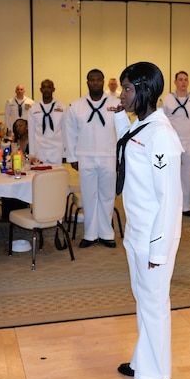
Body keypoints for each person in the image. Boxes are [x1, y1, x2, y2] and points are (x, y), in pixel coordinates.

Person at [113, 61, 183, 379]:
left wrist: (159, 250)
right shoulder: (141, 127)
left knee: (154, 303)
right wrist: (117, 115)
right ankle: (145, 358)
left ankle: (156, 375)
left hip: (154, 237)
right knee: (144, 300)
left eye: (127, 89)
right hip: (136, 231)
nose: (122, 94)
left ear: (144, 90)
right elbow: (126, 148)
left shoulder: (162, 135)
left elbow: (169, 201)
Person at [65, 69, 120, 248]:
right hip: (85, 156)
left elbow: (122, 132)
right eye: (92, 80)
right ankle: (90, 234)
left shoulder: (116, 104)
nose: (95, 83)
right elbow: (70, 132)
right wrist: (72, 156)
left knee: (107, 196)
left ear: (103, 82)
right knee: (89, 196)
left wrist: (120, 157)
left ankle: (106, 234)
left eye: (98, 80)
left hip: (109, 155)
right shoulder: (76, 106)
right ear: (87, 82)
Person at [162, 71, 190, 217]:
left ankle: (185, 206)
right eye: (180, 80)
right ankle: (172, 205)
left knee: (186, 174)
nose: (183, 82)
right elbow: (163, 121)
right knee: (172, 174)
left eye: (186, 80)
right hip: (173, 141)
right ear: (175, 82)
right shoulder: (167, 99)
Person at [27, 79, 66, 166]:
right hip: (40, 149)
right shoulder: (33, 109)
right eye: (44, 87)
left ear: (53, 89)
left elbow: (64, 131)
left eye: (49, 87)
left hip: (57, 149)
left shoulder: (62, 108)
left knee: (56, 177)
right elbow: (31, 132)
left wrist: (65, 153)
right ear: (40, 90)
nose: (46, 89)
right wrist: (32, 153)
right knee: (41, 177)